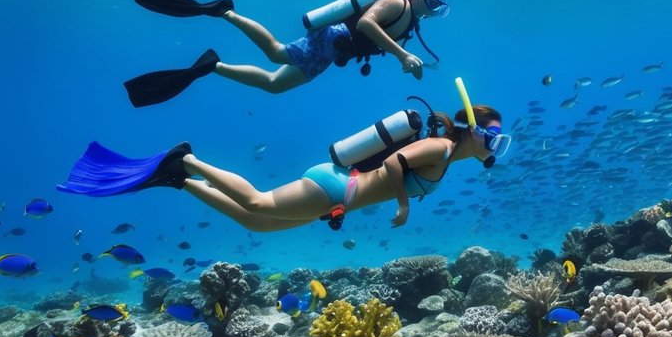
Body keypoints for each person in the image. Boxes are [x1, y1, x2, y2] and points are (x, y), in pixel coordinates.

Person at [57, 105, 509, 232]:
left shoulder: (448, 157)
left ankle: (179, 181)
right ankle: (186, 157)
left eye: (500, 142)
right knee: (256, 201)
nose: (495, 147)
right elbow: (393, 162)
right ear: (472, 132)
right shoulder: (440, 148)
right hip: (335, 187)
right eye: (493, 137)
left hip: (338, 199)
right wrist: (406, 206)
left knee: (258, 225)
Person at [124, 0, 450, 106]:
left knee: (274, 84)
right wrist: (401, 57)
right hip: (332, 38)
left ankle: (213, 65)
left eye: (441, 9)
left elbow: (383, 42)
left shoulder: (412, 22)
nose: (435, 12)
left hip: (334, 50)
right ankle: (226, 12)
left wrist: (410, 62)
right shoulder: (399, 3)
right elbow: (366, 22)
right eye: (433, 4)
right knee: (277, 53)